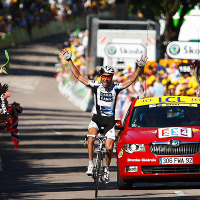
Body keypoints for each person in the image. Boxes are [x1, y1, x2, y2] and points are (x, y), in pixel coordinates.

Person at [59, 49, 148, 183]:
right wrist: (70, 60)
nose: (106, 79)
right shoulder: (96, 85)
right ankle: (90, 164)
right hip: (97, 119)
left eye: (109, 77)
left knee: (109, 147)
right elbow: (78, 76)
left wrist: (140, 68)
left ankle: (106, 169)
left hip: (109, 122)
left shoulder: (116, 87)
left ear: (112, 78)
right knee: (90, 138)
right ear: (101, 77)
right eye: (104, 76)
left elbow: (130, 81)